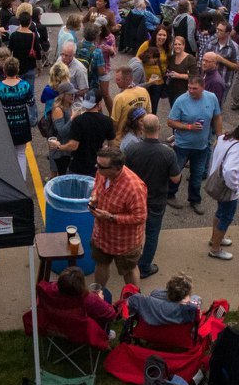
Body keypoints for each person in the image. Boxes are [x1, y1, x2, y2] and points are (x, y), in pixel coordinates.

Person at [122, 117, 180, 280]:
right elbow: (175, 178)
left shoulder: (132, 149)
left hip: (135, 200)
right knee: (152, 234)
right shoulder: (168, 152)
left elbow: (124, 173)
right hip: (156, 201)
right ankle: (145, 267)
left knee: (133, 231)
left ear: (142, 128)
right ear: (159, 128)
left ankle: (128, 263)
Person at [85, 144, 148, 294]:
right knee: (101, 263)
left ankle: (132, 300)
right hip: (102, 234)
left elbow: (140, 217)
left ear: (116, 168)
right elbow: (96, 186)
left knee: (129, 269)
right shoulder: (102, 172)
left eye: (101, 166)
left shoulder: (134, 187)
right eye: (97, 163)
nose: (97, 167)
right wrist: (94, 197)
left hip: (124, 241)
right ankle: (97, 295)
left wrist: (111, 217)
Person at [203, 118, 239, 260]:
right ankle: (215, 249)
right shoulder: (238, 149)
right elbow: (229, 170)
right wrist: (235, 186)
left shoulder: (224, 138)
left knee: (220, 212)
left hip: (217, 183)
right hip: (228, 189)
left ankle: (215, 238)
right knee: (226, 217)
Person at [168, 74, 221, 211]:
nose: (191, 91)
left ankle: (195, 200)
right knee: (176, 172)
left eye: (194, 88)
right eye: (189, 88)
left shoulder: (212, 98)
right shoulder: (181, 101)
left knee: (197, 175)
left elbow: (217, 117)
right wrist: (189, 127)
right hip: (182, 146)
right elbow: (170, 121)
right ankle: (170, 194)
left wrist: (220, 137)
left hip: (202, 146)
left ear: (203, 87)